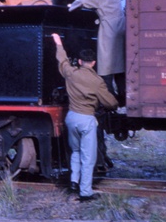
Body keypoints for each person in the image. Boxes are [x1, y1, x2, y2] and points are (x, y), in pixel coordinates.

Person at [50, 34, 118, 202]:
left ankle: (74, 181)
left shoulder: (71, 73)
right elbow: (110, 103)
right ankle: (85, 192)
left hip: (71, 118)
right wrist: (115, 102)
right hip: (87, 119)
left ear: (80, 61)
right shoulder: (97, 81)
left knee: (75, 151)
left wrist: (58, 42)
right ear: (93, 63)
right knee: (88, 157)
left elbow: (63, 60)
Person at [68, 0, 126, 105]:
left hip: (108, 29)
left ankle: (111, 101)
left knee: (105, 66)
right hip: (121, 26)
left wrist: (70, 5)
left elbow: (84, 1)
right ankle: (124, 98)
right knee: (120, 67)